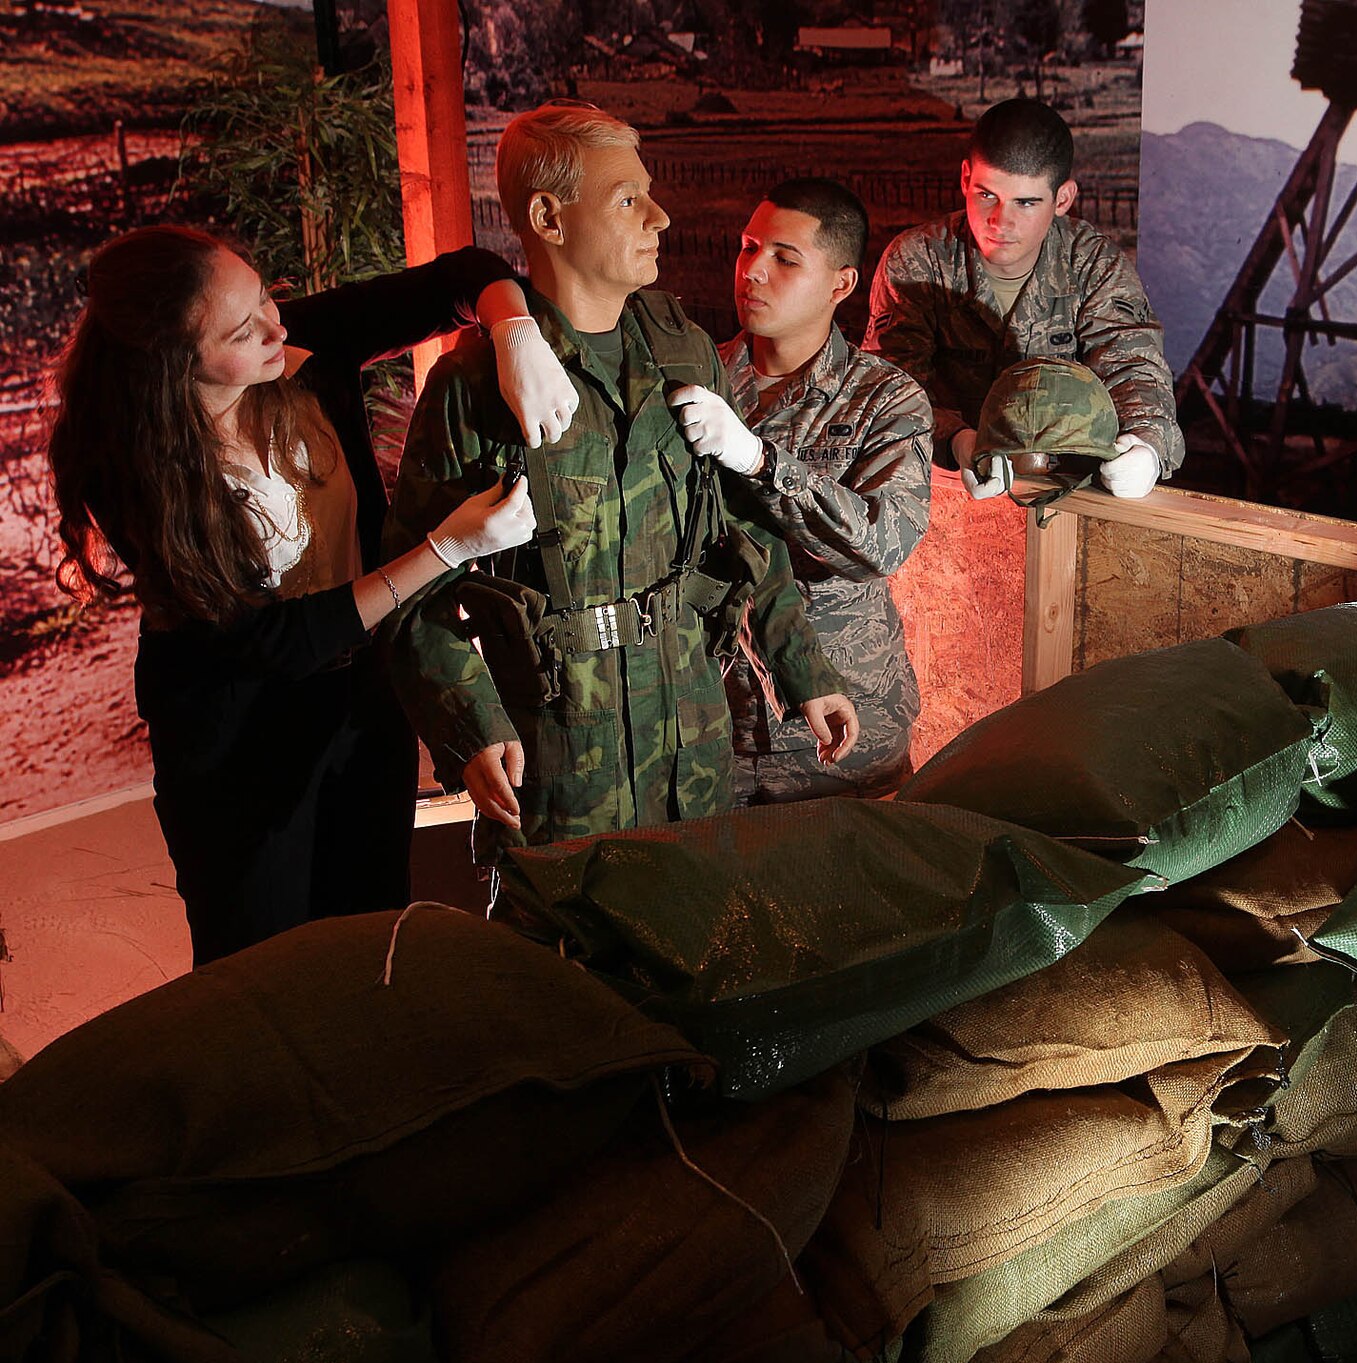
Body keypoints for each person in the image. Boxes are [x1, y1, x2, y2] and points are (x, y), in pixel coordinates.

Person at [48, 225, 570, 963]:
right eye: (242, 328)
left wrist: (514, 328)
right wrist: (446, 549)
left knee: (371, 935)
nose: (275, 325)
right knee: (262, 962)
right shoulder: (135, 468)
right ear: (175, 364)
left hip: (361, 698)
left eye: (263, 293)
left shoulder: (304, 347)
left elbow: (460, 275)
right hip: (239, 732)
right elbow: (272, 642)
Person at [379, 101, 855, 869]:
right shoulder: (477, 387)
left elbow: (742, 528)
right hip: (562, 752)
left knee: (696, 926)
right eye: (628, 199)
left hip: (690, 734)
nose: (660, 217)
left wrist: (801, 666)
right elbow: (417, 590)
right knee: (564, 965)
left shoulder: (684, 353)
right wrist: (474, 724)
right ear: (550, 218)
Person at [719, 178, 931, 802]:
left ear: (842, 284)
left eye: (785, 259)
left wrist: (762, 463)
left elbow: (880, 543)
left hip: (842, 733)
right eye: (748, 247)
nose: (753, 271)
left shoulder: (883, 399)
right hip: (711, 727)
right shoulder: (700, 380)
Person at [864, 96, 1182, 502]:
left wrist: (1146, 447)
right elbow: (889, 392)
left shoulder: (1092, 265)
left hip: (1063, 493)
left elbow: (1134, 368)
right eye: (986, 196)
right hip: (940, 486)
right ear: (965, 179)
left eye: (1026, 202)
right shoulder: (917, 262)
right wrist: (958, 442)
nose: (1000, 221)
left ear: (1062, 199)